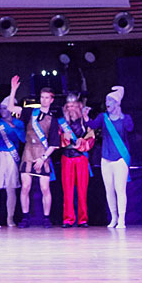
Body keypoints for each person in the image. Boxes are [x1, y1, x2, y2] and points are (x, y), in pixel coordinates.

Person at [17, 86, 58, 225]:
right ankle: (25, 217)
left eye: (47, 98)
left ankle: (46, 218)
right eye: (42, 97)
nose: (44, 100)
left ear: (51, 100)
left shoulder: (53, 119)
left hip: (42, 153)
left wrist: (43, 158)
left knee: (45, 188)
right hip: (28, 152)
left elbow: (54, 144)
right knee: (25, 186)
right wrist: (13, 90)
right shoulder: (30, 112)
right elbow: (11, 108)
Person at [95, 86, 134, 229]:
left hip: (120, 158)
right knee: (109, 190)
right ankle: (113, 218)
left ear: (117, 103)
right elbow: (92, 124)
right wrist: (85, 117)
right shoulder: (103, 117)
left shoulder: (125, 118)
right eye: (106, 100)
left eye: (110, 100)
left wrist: (121, 115)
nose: (107, 103)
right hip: (106, 158)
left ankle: (122, 219)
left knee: (120, 189)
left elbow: (130, 128)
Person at [0, 77, 25, 228]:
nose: (3, 111)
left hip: (11, 156)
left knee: (11, 189)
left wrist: (13, 127)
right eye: (1, 108)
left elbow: (23, 139)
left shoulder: (19, 123)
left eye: (5, 108)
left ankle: (10, 218)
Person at [58, 93, 97, 227]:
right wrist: (64, 137)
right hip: (67, 157)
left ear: (79, 106)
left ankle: (83, 219)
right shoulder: (62, 123)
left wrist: (81, 142)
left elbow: (91, 138)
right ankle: (68, 219)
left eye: (73, 106)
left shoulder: (85, 122)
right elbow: (55, 140)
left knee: (82, 190)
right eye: (68, 106)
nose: (71, 109)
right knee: (67, 191)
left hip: (80, 158)